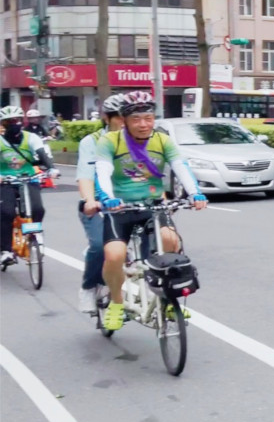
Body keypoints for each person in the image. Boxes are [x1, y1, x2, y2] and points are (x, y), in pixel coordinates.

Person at [95, 91, 207, 330]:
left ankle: (167, 299)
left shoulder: (162, 140)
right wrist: (108, 198)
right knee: (114, 256)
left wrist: (195, 193)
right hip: (121, 208)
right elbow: (102, 171)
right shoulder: (110, 141)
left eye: (148, 118)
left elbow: (180, 166)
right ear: (124, 120)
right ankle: (115, 302)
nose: (143, 124)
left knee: (170, 242)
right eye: (136, 119)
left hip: (154, 206)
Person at [75, 94, 126, 313]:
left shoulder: (141, 139)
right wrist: (90, 200)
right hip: (100, 205)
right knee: (98, 246)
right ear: (107, 117)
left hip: (131, 203)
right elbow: (85, 175)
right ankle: (88, 287)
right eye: (120, 118)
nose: (126, 123)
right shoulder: (91, 142)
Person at [0, 106, 58, 269]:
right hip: (6, 181)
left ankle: (34, 234)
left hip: (29, 178)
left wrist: (51, 169)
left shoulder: (31, 138)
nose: (14, 124)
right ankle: (5, 250)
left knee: (38, 209)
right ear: (3, 124)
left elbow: (42, 154)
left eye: (16, 120)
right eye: (9, 122)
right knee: (6, 212)